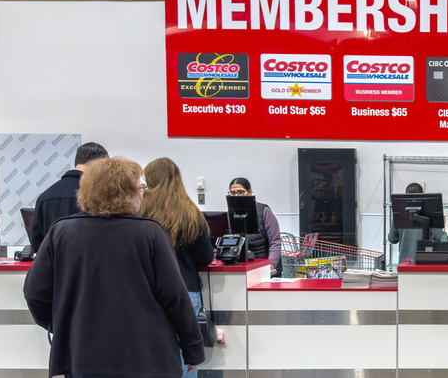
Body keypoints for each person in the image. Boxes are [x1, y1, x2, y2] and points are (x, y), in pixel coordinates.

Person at [23, 157, 204, 378]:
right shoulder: (150, 233)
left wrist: (59, 325)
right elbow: (175, 297)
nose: (143, 193)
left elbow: (34, 293)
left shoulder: (61, 232)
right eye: (140, 187)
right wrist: (192, 348)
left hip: (83, 354)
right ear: (125, 192)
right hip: (147, 356)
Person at [138, 157, 214, 378]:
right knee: (186, 355)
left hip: (147, 291)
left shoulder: (140, 210)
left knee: (149, 354)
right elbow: (205, 257)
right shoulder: (190, 212)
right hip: (186, 290)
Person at [29, 141, 108, 252]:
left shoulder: (45, 197)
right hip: (87, 266)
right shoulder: (99, 195)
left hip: (56, 266)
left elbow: (37, 244)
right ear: (100, 165)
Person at [228, 177, 282, 275]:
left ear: (250, 192)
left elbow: (275, 241)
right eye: (233, 192)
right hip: (243, 267)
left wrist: (271, 263)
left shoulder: (264, 211)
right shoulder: (230, 214)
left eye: (241, 192)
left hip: (265, 267)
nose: (237, 195)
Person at [388, 182, 448, 264]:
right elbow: (443, 239)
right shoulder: (429, 215)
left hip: (404, 265)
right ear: (423, 196)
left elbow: (392, 239)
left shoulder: (399, 216)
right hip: (423, 265)